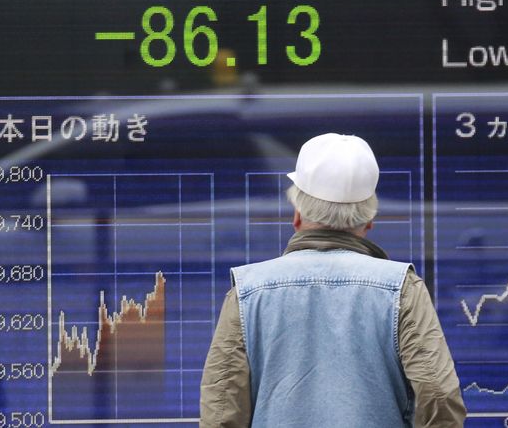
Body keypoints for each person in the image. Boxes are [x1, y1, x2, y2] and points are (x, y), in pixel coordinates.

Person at [200, 133, 466, 427]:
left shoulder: (247, 293)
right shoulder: (402, 288)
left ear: (297, 215)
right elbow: (439, 396)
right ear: (368, 221)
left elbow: (222, 410)